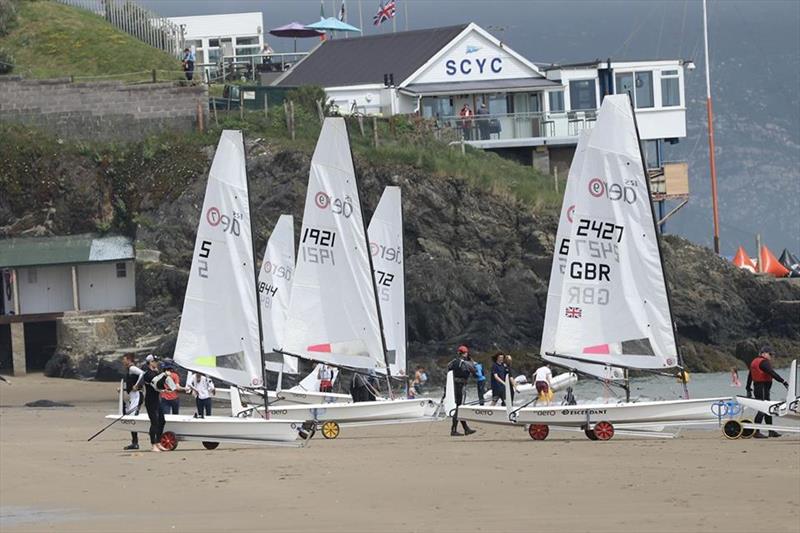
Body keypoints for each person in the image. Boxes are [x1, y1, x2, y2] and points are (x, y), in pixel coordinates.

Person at [746, 346, 789, 438]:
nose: (771, 356)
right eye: (770, 354)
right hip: (762, 387)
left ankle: (771, 431)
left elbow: (750, 376)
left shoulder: (754, 361)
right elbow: (772, 373)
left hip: (759, 387)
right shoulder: (764, 362)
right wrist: (783, 381)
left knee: (768, 409)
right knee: (762, 409)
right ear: (764, 353)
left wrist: (748, 388)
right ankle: (756, 432)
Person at [141, 354, 170, 452]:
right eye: (155, 361)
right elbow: (156, 383)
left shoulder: (156, 372)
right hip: (150, 401)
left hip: (157, 400)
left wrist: (165, 378)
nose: (157, 363)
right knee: (154, 422)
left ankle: (158, 442)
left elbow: (161, 385)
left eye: (157, 361)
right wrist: (164, 375)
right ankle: (153, 444)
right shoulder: (147, 374)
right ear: (150, 362)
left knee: (162, 421)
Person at [447, 345, 476, 436]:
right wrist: (471, 361)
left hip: (454, 385)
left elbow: (448, 368)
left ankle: (466, 428)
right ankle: (454, 430)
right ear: (465, 353)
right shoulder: (465, 363)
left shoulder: (453, 362)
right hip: (461, 386)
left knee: (459, 407)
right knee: (459, 408)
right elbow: (474, 371)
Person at [121, 353, 144, 450]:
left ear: (129, 360)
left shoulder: (132, 368)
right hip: (133, 396)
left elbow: (143, 374)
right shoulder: (129, 370)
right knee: (131, 418)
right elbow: (131, 384)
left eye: (124, 359)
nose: (123, 361)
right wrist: (123, 389)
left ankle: (135, 443)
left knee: (132, 418)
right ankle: (134, 442)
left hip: (137, 396)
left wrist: (137, 385)